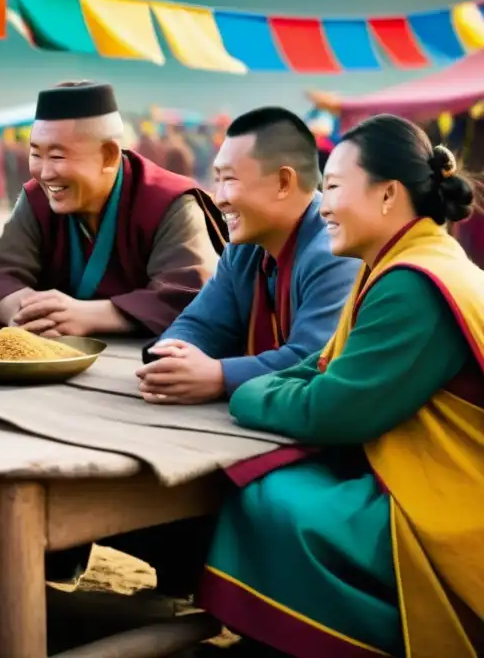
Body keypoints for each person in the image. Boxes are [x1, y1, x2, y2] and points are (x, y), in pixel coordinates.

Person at [197, 115, 484, 656]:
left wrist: (242, 390)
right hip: (425, 477)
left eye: (331, 188)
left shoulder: (414, 284)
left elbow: (335, 409)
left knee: (274, 497)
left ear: (387, 196)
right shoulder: (401, 261)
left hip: (455, 506)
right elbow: (323, 368)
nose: (321, 207)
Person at [136, 109, 360, 473]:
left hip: (339, 447)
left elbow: (313, 361)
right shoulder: (246, 245)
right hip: (263, 423)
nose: (219, 198)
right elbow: (203, 322)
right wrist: (175, 355)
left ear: (284, 182)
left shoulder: (335, 250)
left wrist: (217, 376)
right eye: (216, 180)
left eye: (230, 181)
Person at [0, 81, 225, 339]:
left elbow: (192, 292)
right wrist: (23, 310)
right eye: (37, 155)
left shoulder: (168, 200)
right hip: (53, 357)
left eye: (58, 157)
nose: (45, 173)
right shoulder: (37, 198)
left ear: (108, 156)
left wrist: (91, 316)